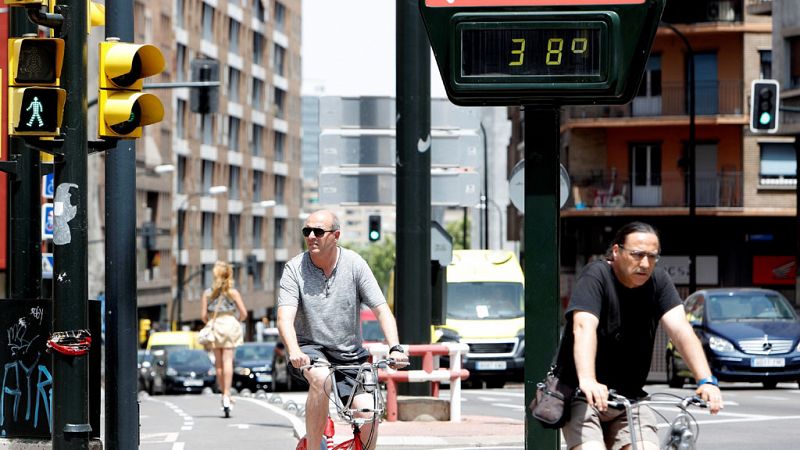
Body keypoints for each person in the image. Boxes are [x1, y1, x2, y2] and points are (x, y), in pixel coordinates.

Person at [561, 222, 723, 450]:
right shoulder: (596, 275)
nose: (645, 264)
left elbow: (680, 329)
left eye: (652, 256)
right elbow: (583, 326)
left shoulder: (658, 281)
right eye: (637, 255)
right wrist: (588, 379)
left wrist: (705, 380)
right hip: (584, 395)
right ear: (617, 252)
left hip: (631, 399)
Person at [277, 210, 409, 450]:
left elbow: (382, 310)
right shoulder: (294, 269)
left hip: (350, 355)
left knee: (368, 411)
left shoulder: (355, 264)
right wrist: (295, 350)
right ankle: (314, 447)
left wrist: (395, 347)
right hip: (310, 349)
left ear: (336, 235)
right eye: (307, 231)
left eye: (318, 231)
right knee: (320, 378)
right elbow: (285, 319)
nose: (311, 237)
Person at [200, 261, 248, 416]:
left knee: (218, 364)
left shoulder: (207, 293)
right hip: (229, 324)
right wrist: (236, 321)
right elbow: (244, 313)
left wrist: (212, 322)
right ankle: (228, 394)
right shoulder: (233, 293)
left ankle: (223, 395)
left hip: (215, 325)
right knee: (228, 361)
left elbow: (203, 316)